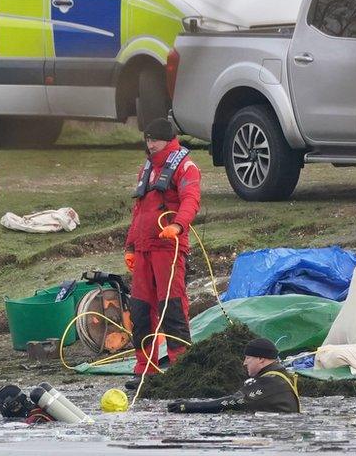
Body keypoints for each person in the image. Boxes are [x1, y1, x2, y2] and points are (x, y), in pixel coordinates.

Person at [124, 119, 201, 382]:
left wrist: (178, 226)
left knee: (172, 307)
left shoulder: (186, 167)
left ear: (168, 140)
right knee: (140, 310)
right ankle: (145, 367)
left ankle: (181, 367)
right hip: (144, 249)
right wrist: (131, 247)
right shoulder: (147, 168)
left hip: (169, 248)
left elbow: (191, 200)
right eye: (147, 140)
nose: (150, 144)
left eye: (154, 140)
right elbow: (139, 211)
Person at [167, 338, 301, 414]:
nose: (244, 362)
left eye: (248, 358)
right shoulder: (279, 376)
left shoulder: (270, 381)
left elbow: (233, 401)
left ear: (261, 359)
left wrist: (189, 406)